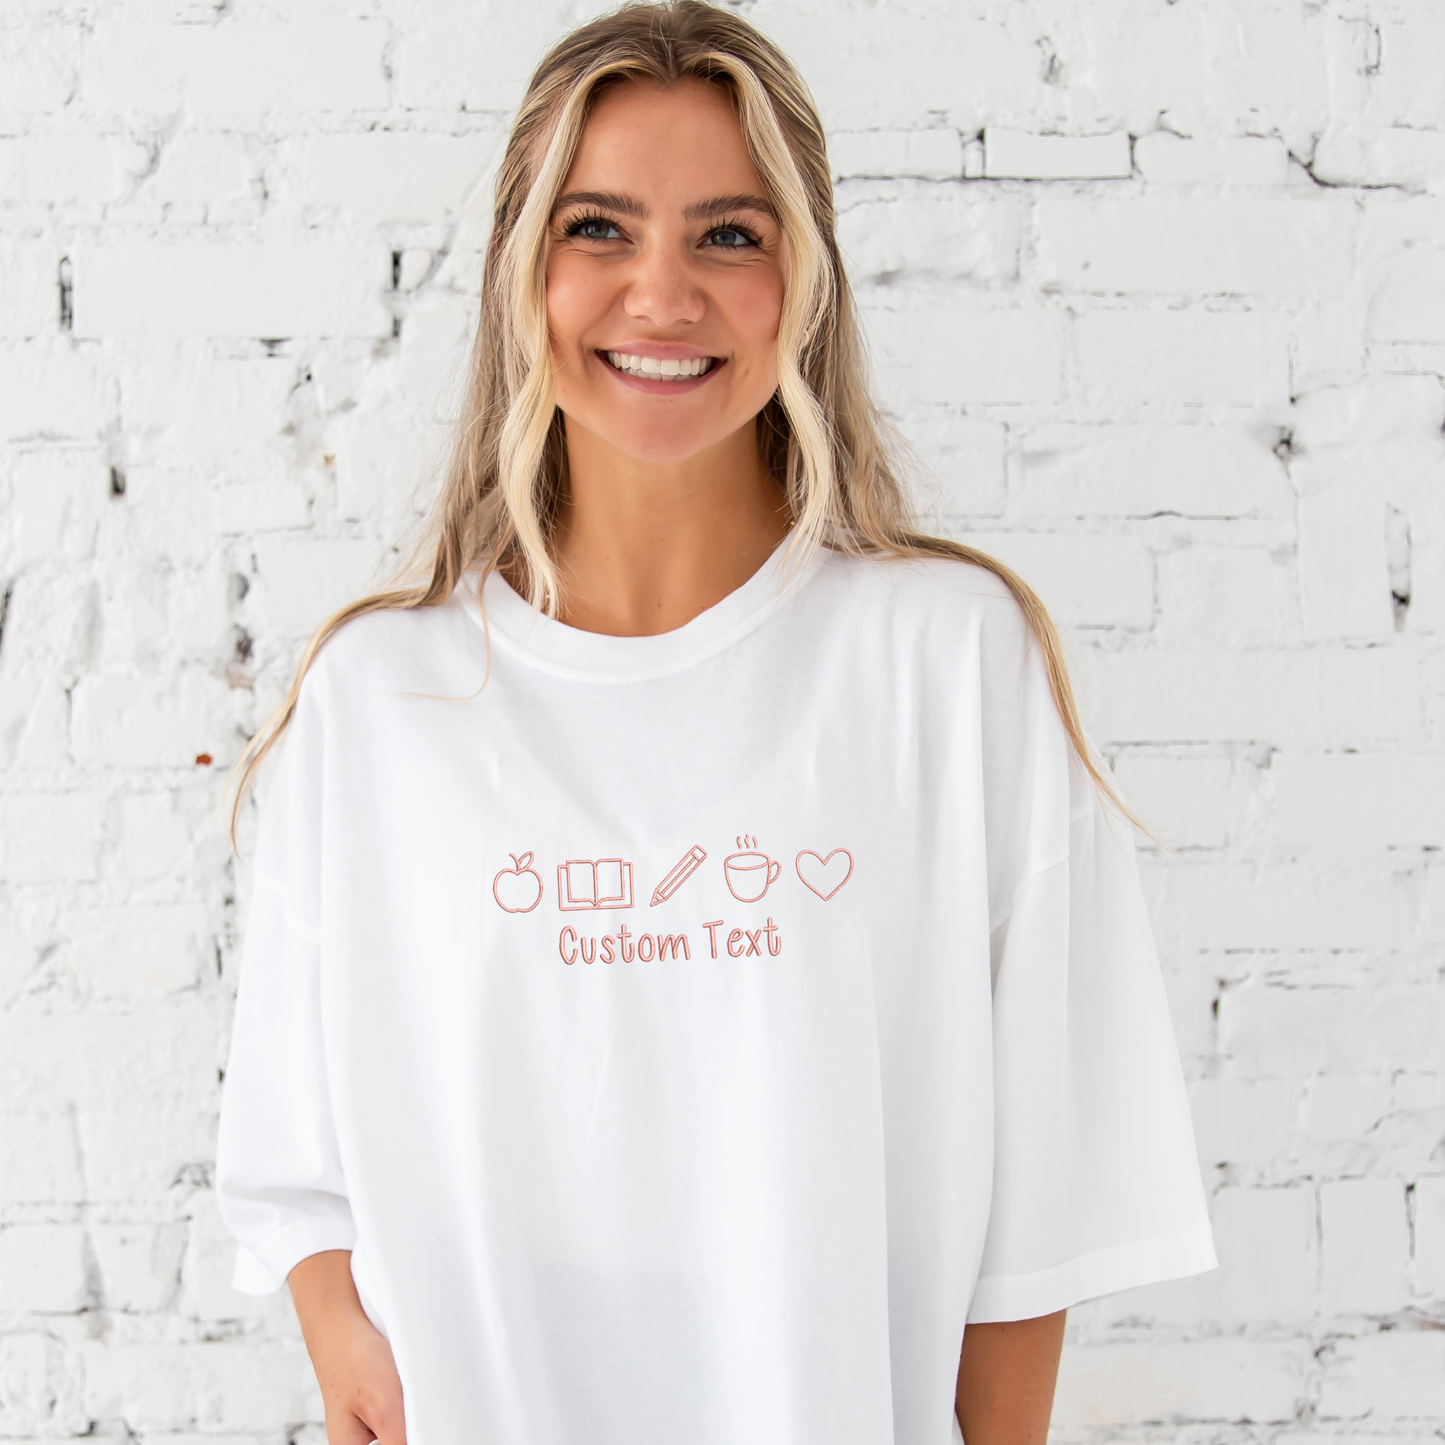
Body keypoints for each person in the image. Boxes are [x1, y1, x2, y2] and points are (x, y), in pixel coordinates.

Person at [215, 3, 1216, 1441]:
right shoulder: (384, 700)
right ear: (520, 272)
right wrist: (339, 1334)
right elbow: (293, 1160)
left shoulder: (946, 665)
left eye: (729, 236)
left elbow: (1036, 1206)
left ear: (805, 278)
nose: (662, 292)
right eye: (599, 229)